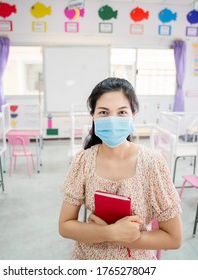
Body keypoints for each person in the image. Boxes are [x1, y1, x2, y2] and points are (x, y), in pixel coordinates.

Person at [58, 77, 182, 260]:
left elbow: (174, 238)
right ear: (93, 116)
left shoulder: (152, 163)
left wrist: (126, 239)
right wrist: (111, 233)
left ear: (133, 115)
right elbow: (65, 225)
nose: (113, 120)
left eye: (122, 112)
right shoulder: (83, 161)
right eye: (103, 112)